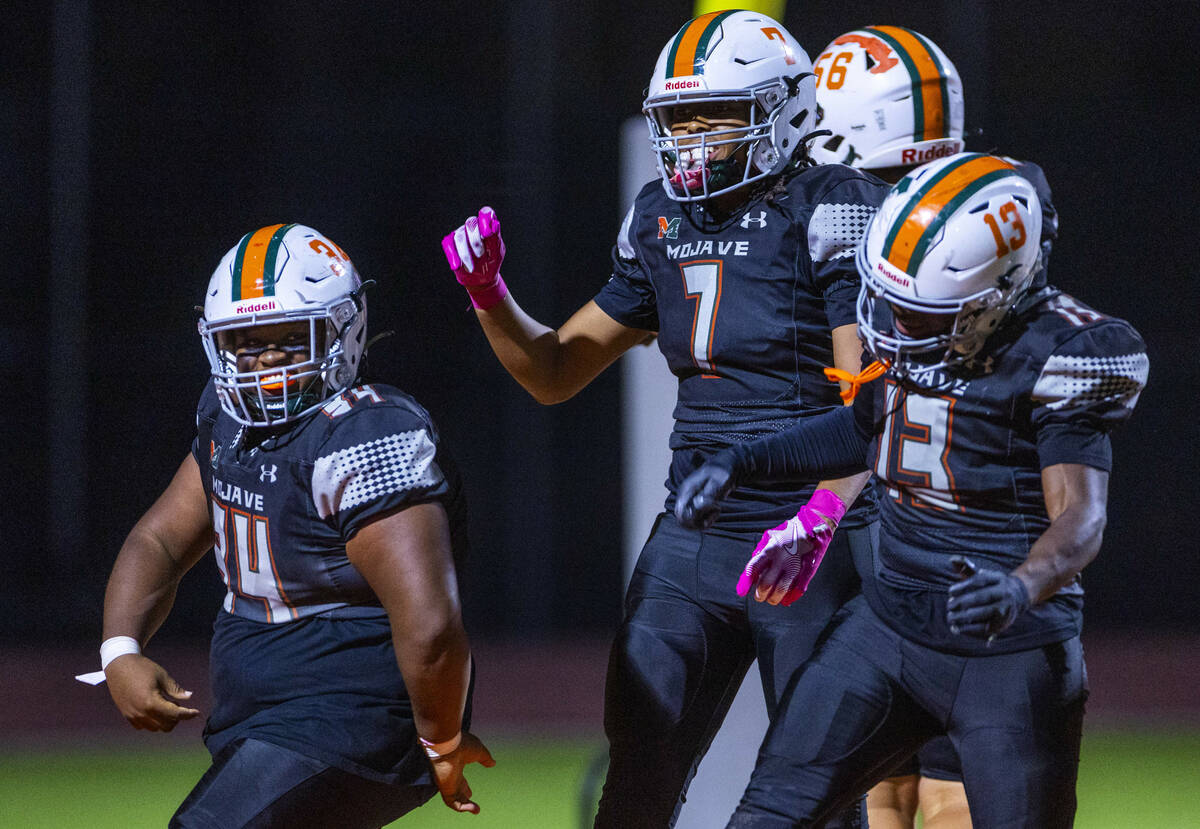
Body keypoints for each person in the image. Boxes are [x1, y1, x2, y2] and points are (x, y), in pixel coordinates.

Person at [441, 11, 887, 826]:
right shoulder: (661, 217)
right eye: (679, 120)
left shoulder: (832, 205)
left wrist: (822, 514)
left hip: (811, 529)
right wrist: (489, 295)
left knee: (812, 794)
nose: (690, 140)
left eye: (713, 116)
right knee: (636, 777)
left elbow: (869, 406)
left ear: (785, 108)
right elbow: (555, 369)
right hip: (696, 534)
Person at [676, 154, 1149, 827]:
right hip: (886, 629)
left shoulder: (1063, 352)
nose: (895, 322)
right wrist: (741, 461)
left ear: (997, 295)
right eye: (891, 299)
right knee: (766, 816)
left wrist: (1021, 585)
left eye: (920, 311)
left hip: (1006, 656)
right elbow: (862, 428)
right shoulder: (916, 333)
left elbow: (1080, 516)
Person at [97, 223, 493, 828]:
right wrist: (120, 649)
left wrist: (440, 741)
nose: (267, 360)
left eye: (290, 338)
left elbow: (431, 626)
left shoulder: (368, 434)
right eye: (246, 343)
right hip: (262, 717)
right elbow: (160, 539)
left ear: (343, 330)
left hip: (350, 718)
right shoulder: (229, 421)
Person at [808, 26, 1063, 828]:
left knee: (907, 776)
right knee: (933, 773)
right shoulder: (1004, 197)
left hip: (912, 513)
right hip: (972, 505)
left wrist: (816, 510)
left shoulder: (866, 220)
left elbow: (864, 397)